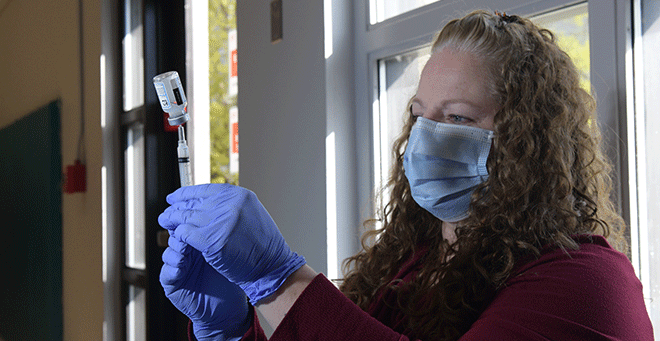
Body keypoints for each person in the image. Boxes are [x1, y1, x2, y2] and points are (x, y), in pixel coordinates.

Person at [158, 10, 654, 341]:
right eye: (420, 114)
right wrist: (236, 328)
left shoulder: (588, 285)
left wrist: (278, 281)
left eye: (458, 117)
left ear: (529, 140)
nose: (426, 137)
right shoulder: (413, 264)